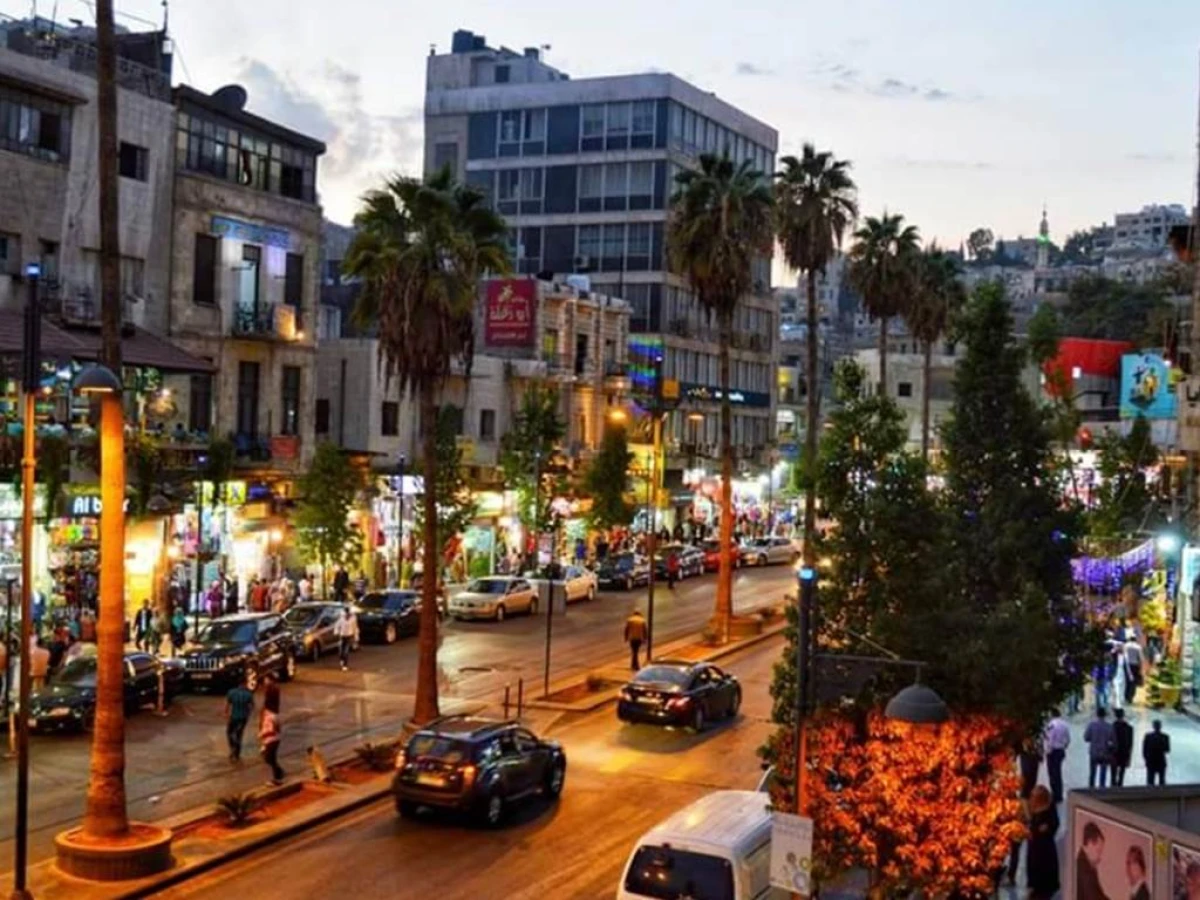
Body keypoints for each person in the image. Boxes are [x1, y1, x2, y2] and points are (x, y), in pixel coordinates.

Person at [1025, 785, 1059, 900]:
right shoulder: (1033, 812)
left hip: (1044, 849)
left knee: (1043, 869)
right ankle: (1035, 887)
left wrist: (1047, 828)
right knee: (1034, 867)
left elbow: (1054, 824)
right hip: (1035, 847)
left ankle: (1041, 889)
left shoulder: (1049, 811)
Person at [1044, 708, 1071, 803]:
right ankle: (1059, 793)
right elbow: (1068, 739)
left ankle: (1055, 793)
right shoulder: (1064, 725)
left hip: (1053, 751)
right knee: (1058, 772)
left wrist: (1047, 750)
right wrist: (1064, 746)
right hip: (1060, 750)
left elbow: (1050, 739)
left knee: (1052, 773)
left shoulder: (1051, 725)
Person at [225, 677, 255, 762]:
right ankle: (237, 753)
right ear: (245, 683)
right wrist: (248, 713)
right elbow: (252, 706)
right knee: (239, 734)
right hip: (243, 717)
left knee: (229, 732)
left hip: (234, 717)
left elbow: (227, 705)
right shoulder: (248, 694)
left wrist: (226, 714)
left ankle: (232, 748)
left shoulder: (231, 692)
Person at [1083, 707, 1114, 788]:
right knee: (1103, 774)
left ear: (1097, 714)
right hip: (1105, 752)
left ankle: (1091, 789)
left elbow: (1086, 738)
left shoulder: (1091, 725)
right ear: (1105, 715)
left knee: (1092, 773)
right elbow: (1113, 740)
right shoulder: (1109, 726)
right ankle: (1101, 789)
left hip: (1094, 752)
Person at [1076, 820, 1106, 900]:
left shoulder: (1088, 866)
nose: (1100, 857)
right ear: (1089, 843)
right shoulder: (1082, 867)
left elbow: (1099, 894)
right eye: (1098, 851)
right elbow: (1093, 897)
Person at [258, 702, 284, 785]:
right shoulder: (273, 716)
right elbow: (278, 729)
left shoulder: (268, 718)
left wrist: (262, 734)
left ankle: (278, 776)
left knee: (269, 759)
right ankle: (278, 774)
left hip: (271, 740)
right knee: (270, 759)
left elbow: (271, 730)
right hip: (272, 740)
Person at [1143, 718, 1170, 785]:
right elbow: (1167, 750)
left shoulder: (1148, 736)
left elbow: (1144, 750)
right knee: (1162, 781)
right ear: (1160, 726)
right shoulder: (1165, 737)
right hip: (1161, 761)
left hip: (1151, 761)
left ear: (1153, 726)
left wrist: (1146, 759)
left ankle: (1150, 795)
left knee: (1150, 781)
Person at [1112, 708, 1134, 786]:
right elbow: (1131, 743)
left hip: (1114, 753)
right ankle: (1120, 786)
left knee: (1113, 773)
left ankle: (1113, 786)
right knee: (1122, 773)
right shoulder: (1129, 728)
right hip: (1125, 753)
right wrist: (1129, 757)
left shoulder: (1112, 726)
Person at [334, 605, 357, 672]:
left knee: (346, 651)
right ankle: (341, 660)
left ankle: (345, 665)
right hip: (342, 636)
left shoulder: (353, 619)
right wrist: (337, 632)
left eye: (349, 613)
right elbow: (337, 625)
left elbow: (355, 628)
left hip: (349, 636)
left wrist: (356, 637)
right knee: (341, 651)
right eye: (346, 612)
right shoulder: (341, 618)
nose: (348, 614)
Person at [1123, 638, 1143, 705]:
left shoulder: (1125, 646)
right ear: (1135, 640)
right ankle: (1130, 697)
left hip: (1126, 665)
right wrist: (1141, 668)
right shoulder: (1138, 647)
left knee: (1126, 681)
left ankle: (1126, 696)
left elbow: (1123, 656)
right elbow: (1140, 659)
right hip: (1135, 666)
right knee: (1133, 682)